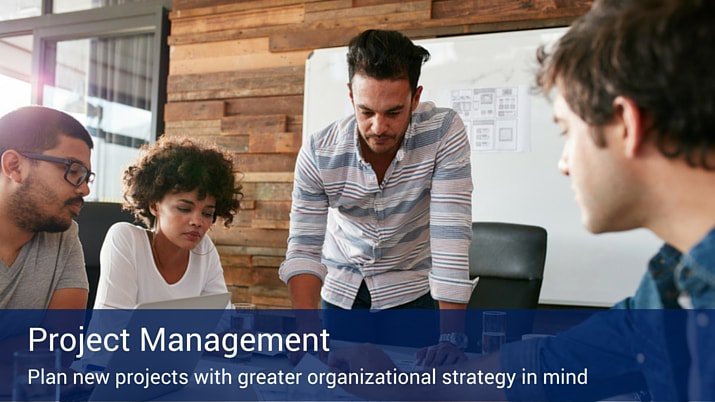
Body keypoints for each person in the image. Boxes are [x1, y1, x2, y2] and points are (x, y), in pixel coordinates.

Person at [328, 0, 715, 400]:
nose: (564, 163)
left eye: (566, 130)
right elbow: (544, 366)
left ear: (627, 125)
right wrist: (402, 387)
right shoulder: (669, 287)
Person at [279, 29, 476, 359]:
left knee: (415, 388)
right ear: (351, 96)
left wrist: (452, 336)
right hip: (342, 293)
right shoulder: (319, 152)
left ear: (415, 97)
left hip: (412, 293)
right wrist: (306, 328)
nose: (379, 127)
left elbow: (450, 232)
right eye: (367, 112)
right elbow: (304, 246)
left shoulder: (443, 132)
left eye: (394, 113)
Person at [93, 137, 241, 308]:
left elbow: (221, 320)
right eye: (185, 209)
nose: (197, 222)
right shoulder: (127, 240)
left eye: (207, 213)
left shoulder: (204, 250)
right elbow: (109, 329)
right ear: (155, 205)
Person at [0, 106, 93, 309]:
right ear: (14, 166)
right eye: (73, 170)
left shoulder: (63, 235)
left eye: (86, 177)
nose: (85, 189)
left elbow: (63, 337)